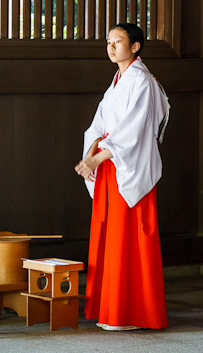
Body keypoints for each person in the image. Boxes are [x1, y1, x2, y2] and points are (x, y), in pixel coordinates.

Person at [74, 23, 170, 331]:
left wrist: (99, 157)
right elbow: (98, 125)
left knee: (127, 240)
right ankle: (110, 308)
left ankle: (130, 312)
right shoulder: (117, 81)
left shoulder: (141, 81)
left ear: (136, 47)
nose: (111, 46)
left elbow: (133, 130)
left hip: (126, 168)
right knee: (110, 236)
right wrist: (90, 156)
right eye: (109, 42)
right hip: (109, 168)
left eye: (118, 41)